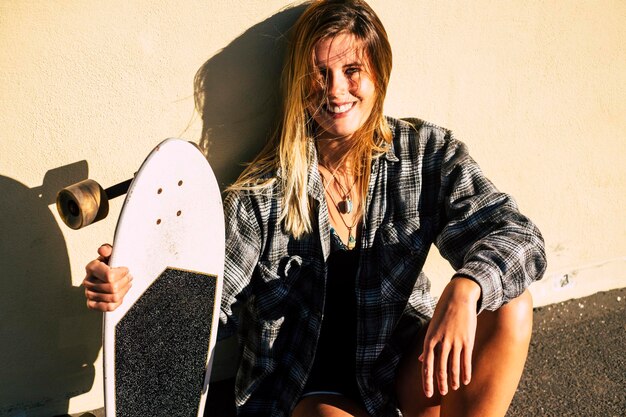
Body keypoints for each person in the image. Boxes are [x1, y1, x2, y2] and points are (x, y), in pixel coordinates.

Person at [83, 1, 547, 416]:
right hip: (302, 388)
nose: (336, 90)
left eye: (351, 70)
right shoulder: (263, 193)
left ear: (378, 73)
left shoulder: (425, 152)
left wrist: (467, 289)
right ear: (299, 83)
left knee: (511, 305)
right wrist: (132, 284)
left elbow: (521, 238)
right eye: (319, 73)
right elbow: (204, 298)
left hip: (393, 366)